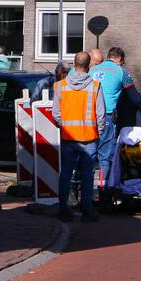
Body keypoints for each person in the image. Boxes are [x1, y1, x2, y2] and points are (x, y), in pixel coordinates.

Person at [53, 51, 105, 222]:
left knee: (66, 173)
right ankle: (87, 210)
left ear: (74, 64)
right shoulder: (95, 86)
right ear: (89, 65)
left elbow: (56, 114)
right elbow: (100, 114)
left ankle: (63, 208)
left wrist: (64, 126)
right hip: (89, 138)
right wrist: (100, 132)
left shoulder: (60, 86)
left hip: (68, 138)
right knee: (88, 175)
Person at [89, 46, 127, 183]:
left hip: (89, 116)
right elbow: (132, 93)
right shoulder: (120, 71)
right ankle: (103, 189)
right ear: (120, 59)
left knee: (88, 154)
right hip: (107, 115)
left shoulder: (92, 70)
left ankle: (81, 191)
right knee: (105, 155)